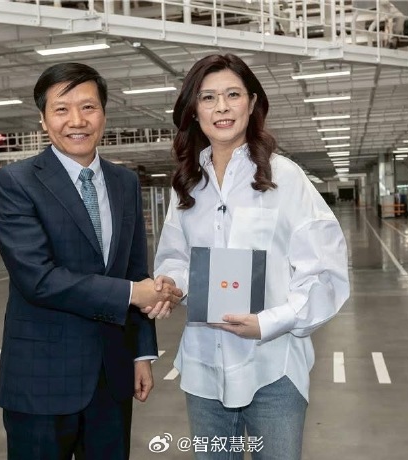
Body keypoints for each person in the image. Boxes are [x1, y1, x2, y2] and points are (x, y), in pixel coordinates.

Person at [154, 53, 350, 459]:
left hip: (272, 367)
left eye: (233, 95)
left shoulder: (285, 178)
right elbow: (175, 258)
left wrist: (268, 323)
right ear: (194, 110)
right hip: (204, 369)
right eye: (208, 97)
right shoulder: (187, 185)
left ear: (252, 103)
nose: (221, 107)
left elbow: (325, 273)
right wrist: (172, 284)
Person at [0, 62, 182, 460]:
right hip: (42, 381)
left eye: (88, 107)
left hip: (112, 377)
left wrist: (141, 354)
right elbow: (38, 279)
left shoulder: (124, 182)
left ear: (103, 114)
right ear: (43, 120)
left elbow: (134, 269)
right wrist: (133, 293)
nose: (76, 120)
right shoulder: (16, 182)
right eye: (61, 109)